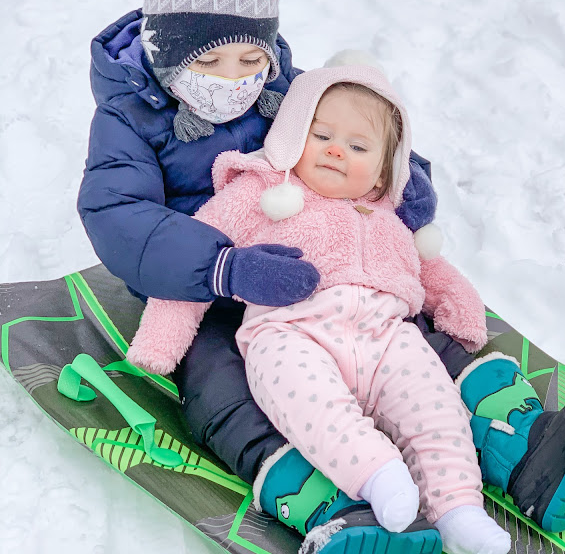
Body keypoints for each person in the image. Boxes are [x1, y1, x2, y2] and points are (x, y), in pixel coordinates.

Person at [78, 0, 565, 552]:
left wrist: (402, 177)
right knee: (224, 389)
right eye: (213, 60)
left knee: (412, 345)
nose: (237, 77)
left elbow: (355, 124)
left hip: (323, 267)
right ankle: (336, 504)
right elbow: (119, 216)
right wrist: (223, 266)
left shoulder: (282, 83)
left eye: (253, 56)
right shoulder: (128, 113)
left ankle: (525, 453)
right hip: (201, 289)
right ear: (167, 49)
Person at [129, 64, 517, 554]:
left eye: (358, 147)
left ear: (384, 168)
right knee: (315, 407)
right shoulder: (260, 193)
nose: (337, 150)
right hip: (291, 333)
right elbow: (193, 257)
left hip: (385, 335)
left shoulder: (389, 217)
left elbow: (432, 269)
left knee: (437, 411)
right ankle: (379, 476)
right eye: (322, 135)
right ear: (293, 134)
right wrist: (159, 342)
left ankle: (459, 509)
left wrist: (462, 309)